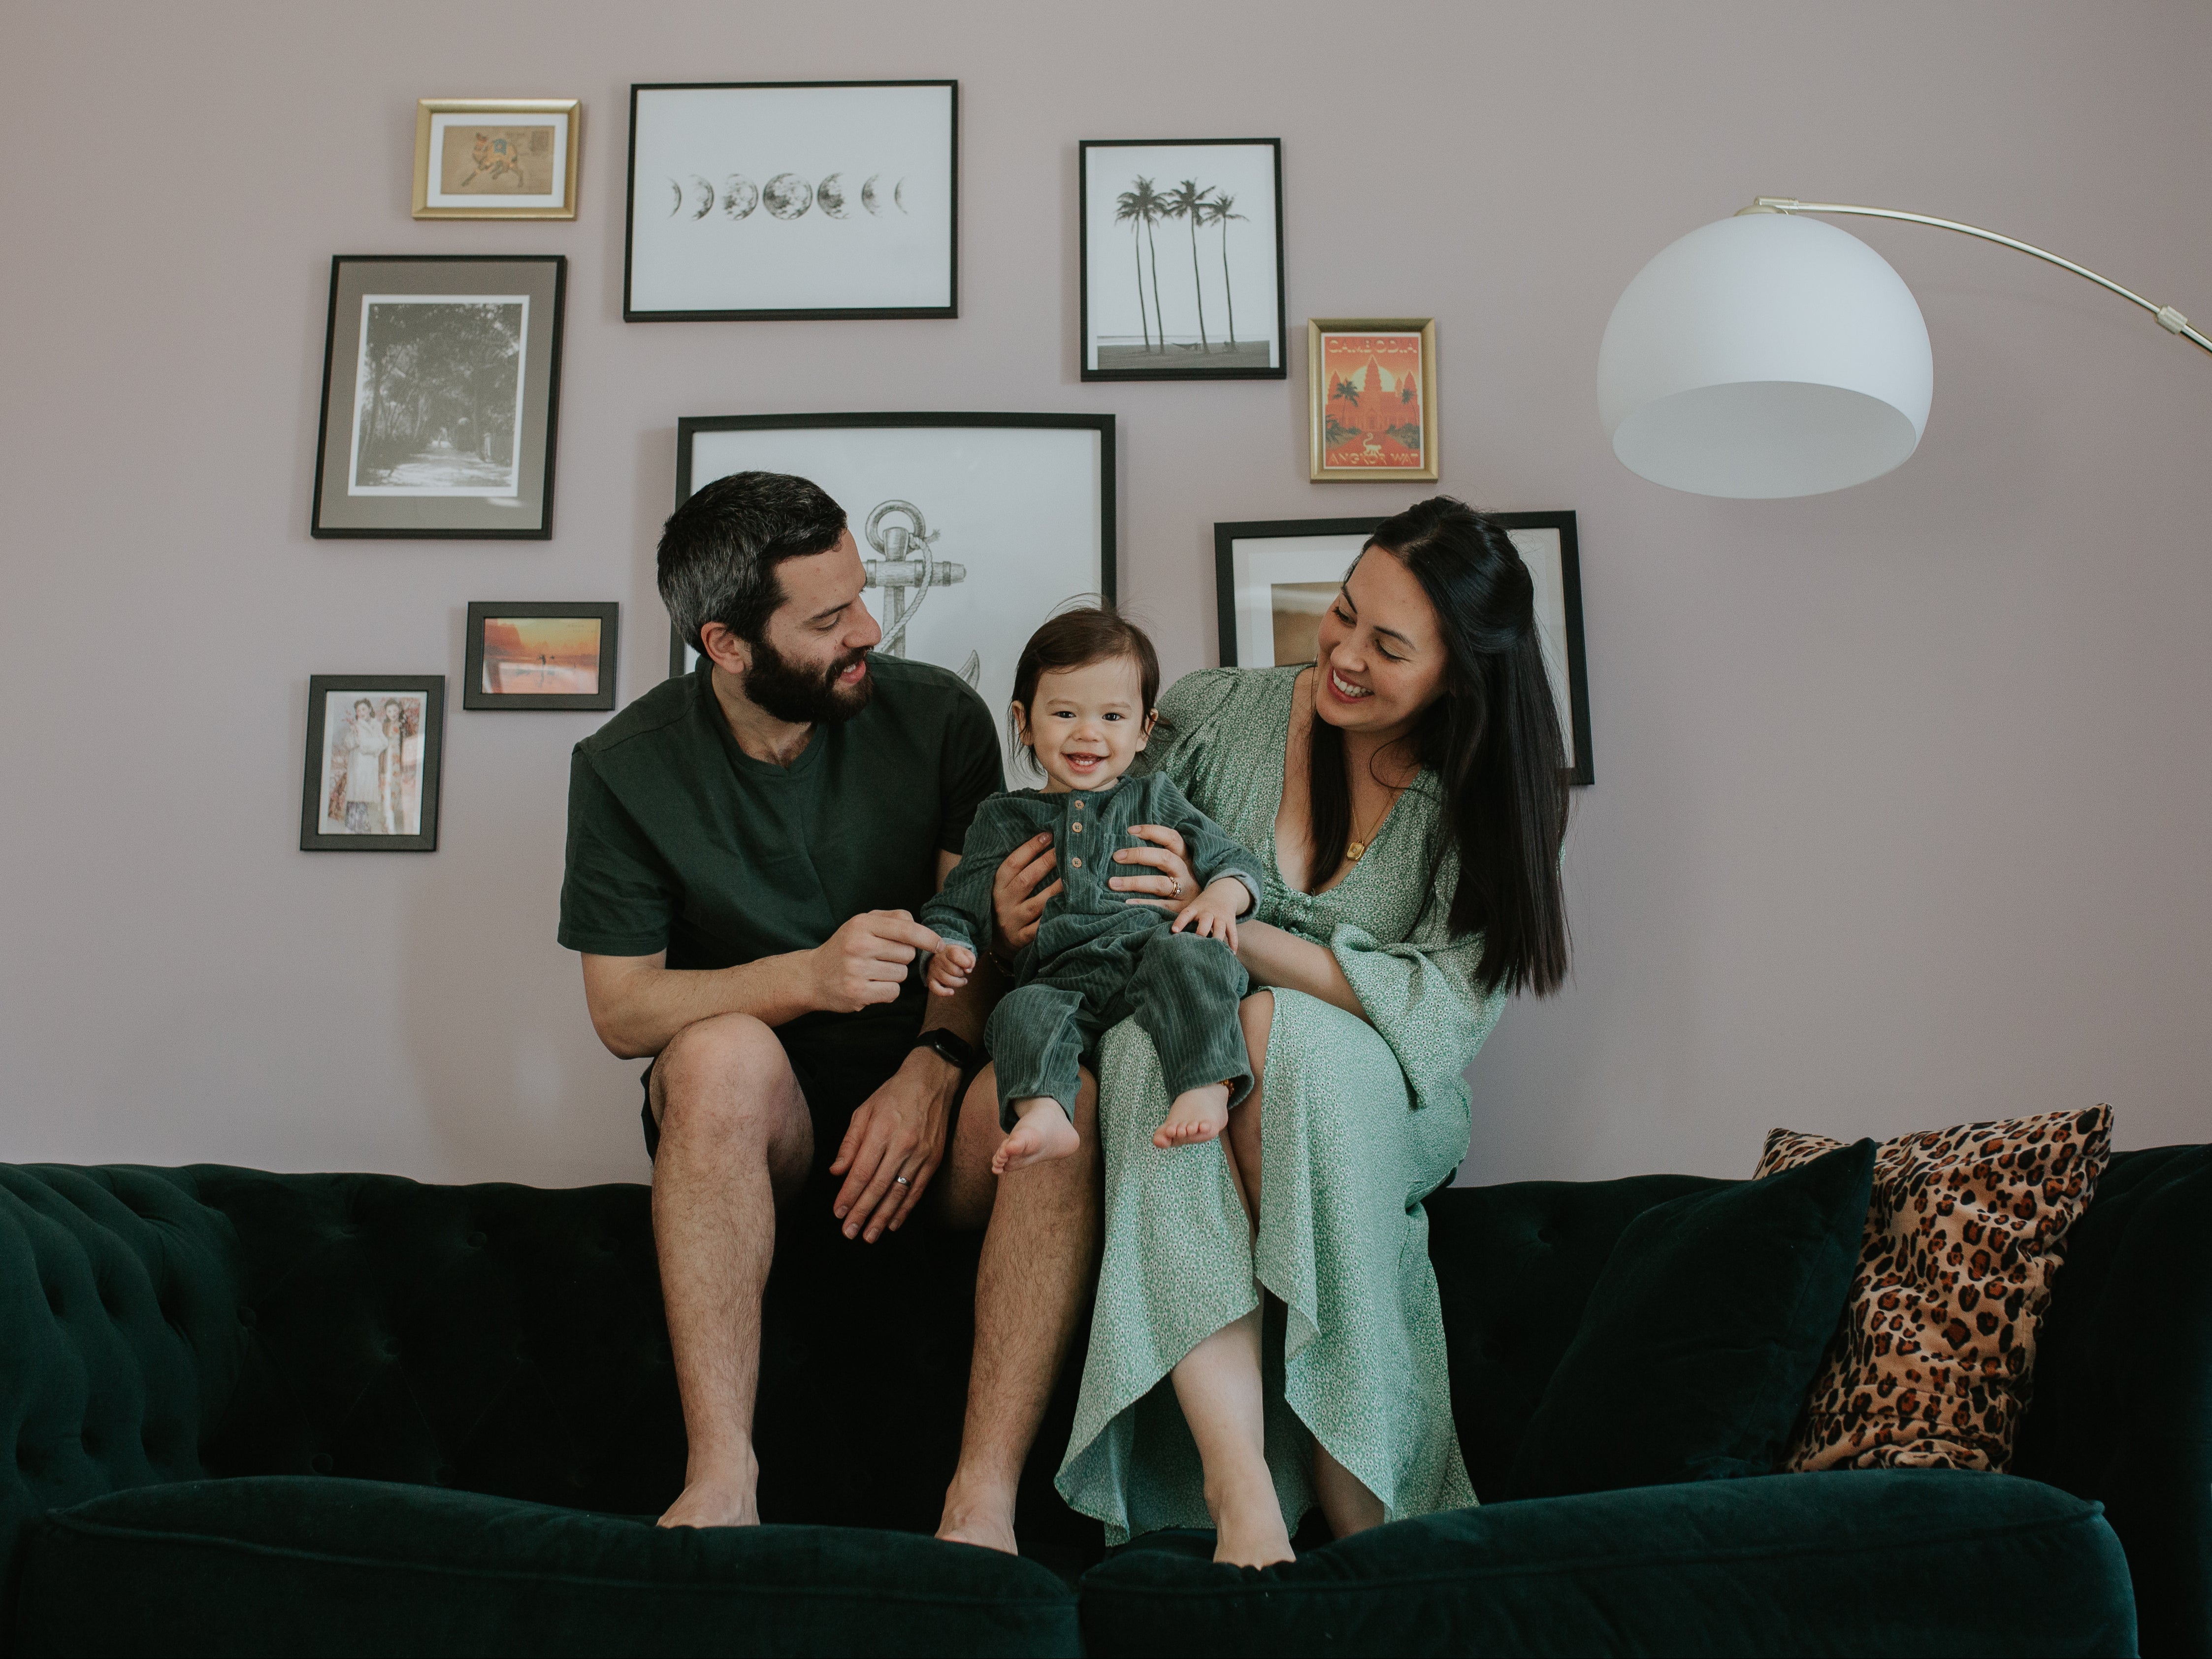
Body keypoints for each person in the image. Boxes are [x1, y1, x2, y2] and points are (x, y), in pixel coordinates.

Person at [558, 469, 1105, 1544]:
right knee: (718, 1056)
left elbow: (979, 943)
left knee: (1064, 1100)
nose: (868, 626)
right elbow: (623, 1012)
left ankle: (981, 1501)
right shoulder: (624, 769)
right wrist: (805, 977)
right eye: (827, 617)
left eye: (859, 595)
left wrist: (930, 1066)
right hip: (765, 1127)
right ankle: (721, 1479)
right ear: (725, 644)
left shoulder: (939, 714)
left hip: (932, 1101)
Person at [1026, 497, 1573, 1564]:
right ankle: (1241, 1498)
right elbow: (1112, 896)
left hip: (1386, 1097)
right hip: (1201, 1056)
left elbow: (1441, 1013)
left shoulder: (1488, 802)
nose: (1344, 653)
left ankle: (1354, 1479)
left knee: (1274, 1030)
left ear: (1460, 675)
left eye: (1388, 644)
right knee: (1148, 1043)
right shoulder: (1215, 712)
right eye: (1342, 613)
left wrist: (1231, 928)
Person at [922, 608, 1265, 1172]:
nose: (1088, 732)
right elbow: (956, 903)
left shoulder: (1155, 796)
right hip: (1061, 982)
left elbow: (1233, 859)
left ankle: (1206, 1081)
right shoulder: (1004, 817)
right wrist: (947, 945)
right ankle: (1044, 1112)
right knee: (1017, 1012)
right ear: (1024, 721)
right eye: (1064, 713)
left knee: (1195, 954)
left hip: (1151, 959)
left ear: (1144, 729)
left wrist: (1221, 895)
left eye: (1112, 715)